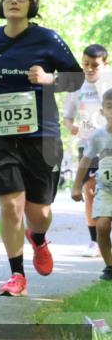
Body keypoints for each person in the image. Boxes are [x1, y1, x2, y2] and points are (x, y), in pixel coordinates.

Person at [0, 0, 83, 297]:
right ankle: (16, 274)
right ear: (1, 4)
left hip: (41, 134)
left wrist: (49, 79)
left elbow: (76, 78)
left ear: (31, 4)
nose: (14, 2)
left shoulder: (48, 39)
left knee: (39, 211)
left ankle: (39, 238)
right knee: (10, 203)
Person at [62, 44, 111, 257]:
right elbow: (67, 116)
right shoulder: (76, 86)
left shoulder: (109, 82)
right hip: (88, 144)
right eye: (85, 64)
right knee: (90, 190)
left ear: (105, 64)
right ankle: (94, 240)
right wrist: (70, 126)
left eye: (94, 65)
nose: (89, 69)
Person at [71, 88, 112, 282]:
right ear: (103, 112)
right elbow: (85, 161)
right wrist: (77, 186)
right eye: (110, 107)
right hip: (106, 189)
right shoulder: (98, 136)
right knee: (102, 226)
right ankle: (110, 266)